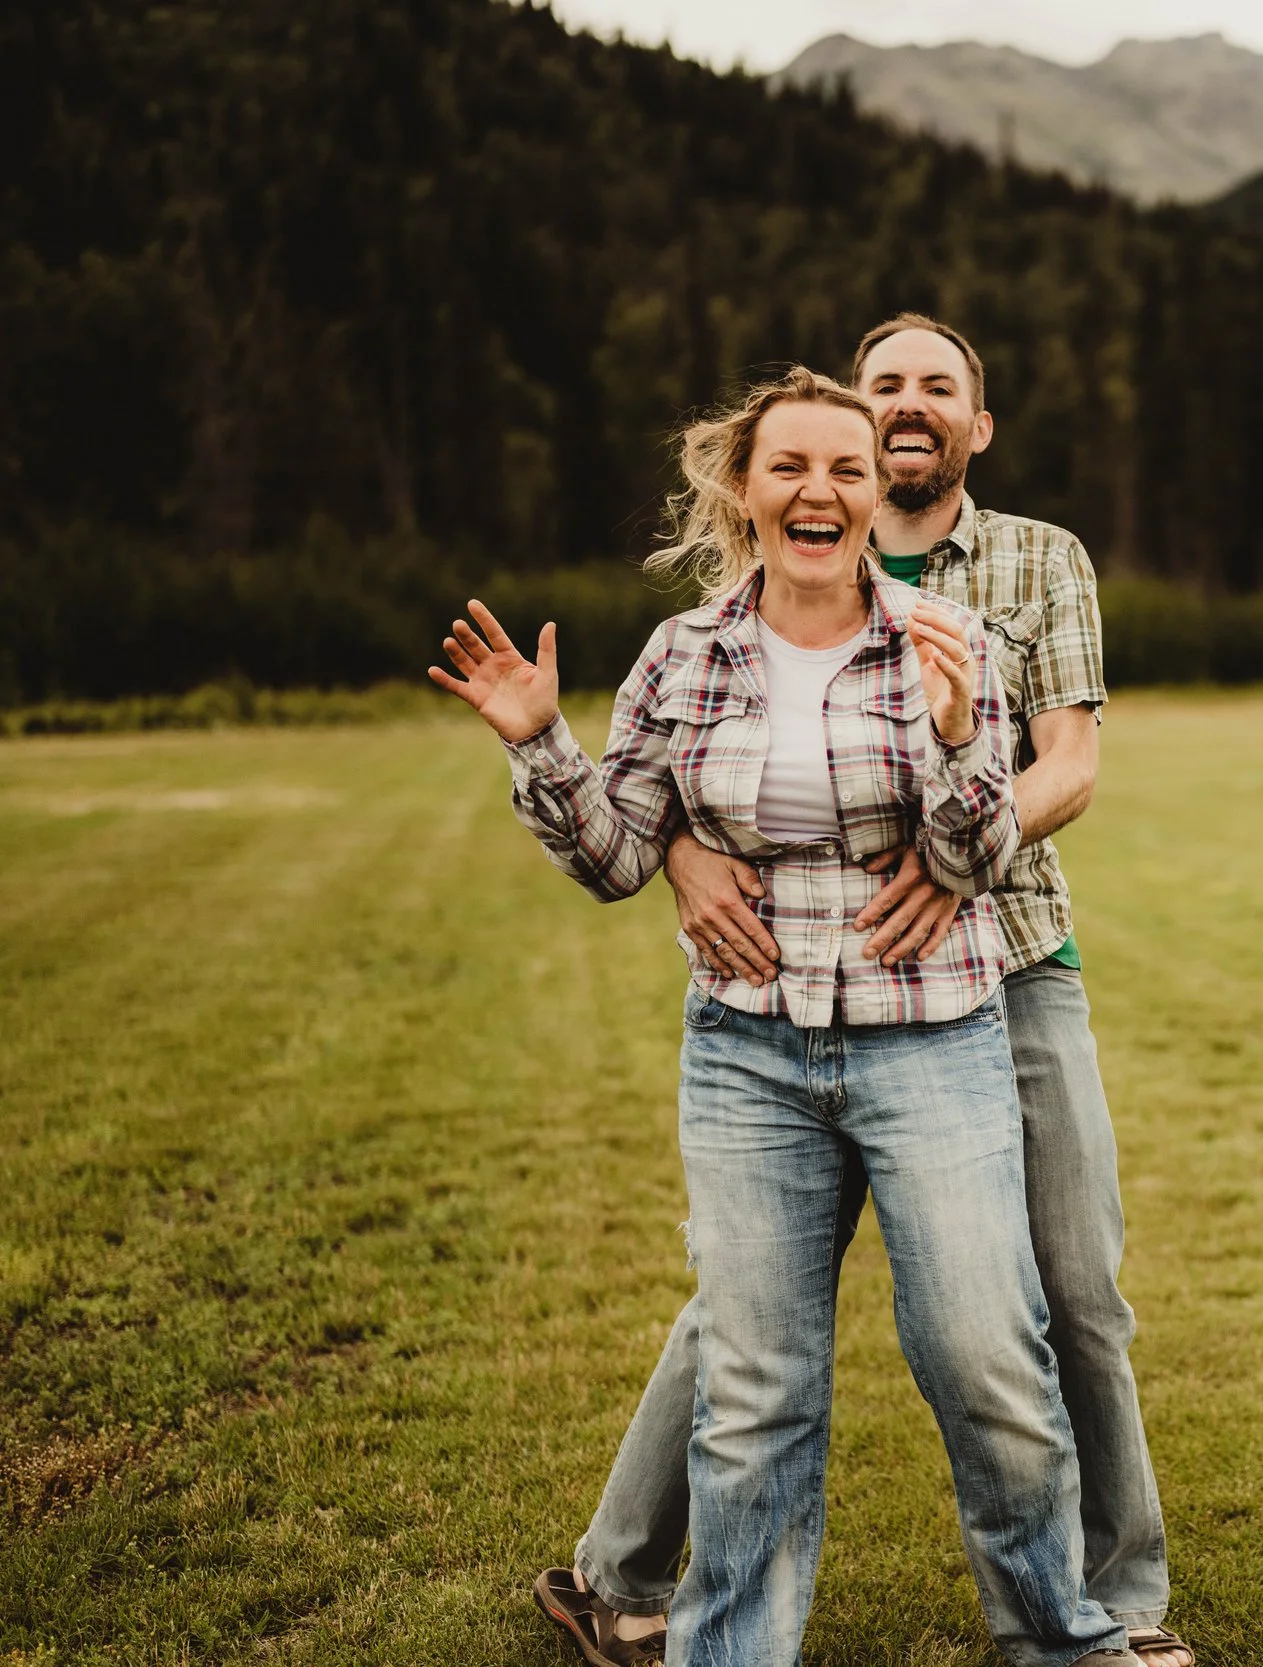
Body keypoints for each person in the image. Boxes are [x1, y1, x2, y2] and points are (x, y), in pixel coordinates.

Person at [431, 368, 1137, 1667]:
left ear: (876, 498)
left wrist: (961, 727)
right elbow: (614, 857)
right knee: (755, 1393)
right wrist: (540, 745)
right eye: (791, 467)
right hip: (749, 1054)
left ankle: (1062, 1640)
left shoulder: (947, 638)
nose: (820, 490)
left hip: (932, 1037)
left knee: (988, 1359)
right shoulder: (683, 654)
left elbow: (978, 857)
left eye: (847, 470)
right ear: (745, 490)